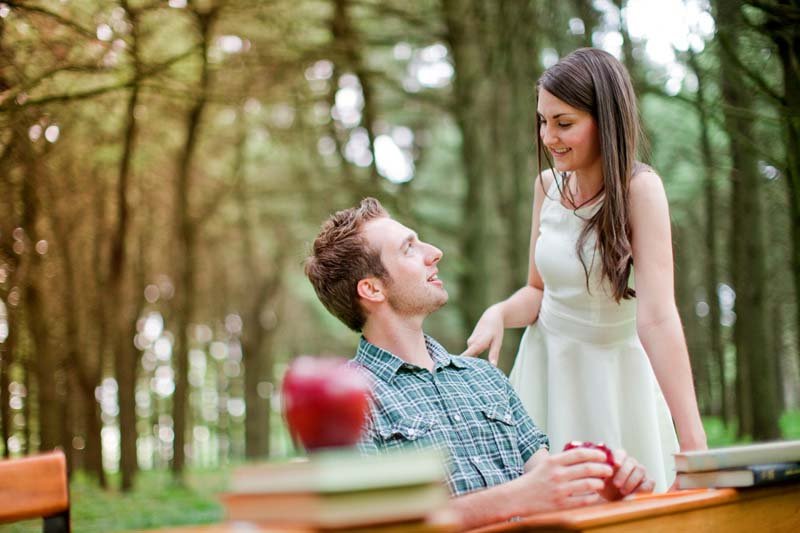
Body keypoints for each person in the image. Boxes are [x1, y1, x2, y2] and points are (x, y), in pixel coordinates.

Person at [304, 198, 654, 531]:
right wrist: (516, 497)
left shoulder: (485, 378)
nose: (433, 253)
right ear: (372, 289)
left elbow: (552, 490)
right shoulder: (345, 403)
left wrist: (604, 489)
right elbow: (370, 525)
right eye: (409, 248)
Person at [462, 48, 707, 492]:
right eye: (542, 121)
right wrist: (500, 313)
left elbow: (657, 317)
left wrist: (694, 446)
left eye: (564, 123)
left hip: (616, 380)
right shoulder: (547, 188)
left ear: (605, 120)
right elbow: (537, 292)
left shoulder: (641, 190)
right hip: (546, 370)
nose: (548, 136)